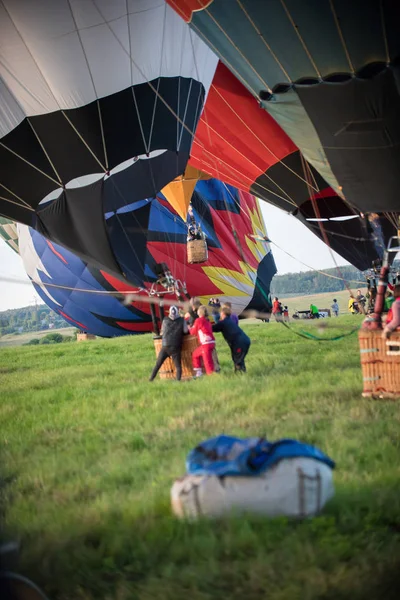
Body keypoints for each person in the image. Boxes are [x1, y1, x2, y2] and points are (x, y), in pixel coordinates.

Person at [149, 305, 188, 382]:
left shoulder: (165, 320)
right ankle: (178, 381)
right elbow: (185, 331)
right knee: (178, 366)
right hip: (175, 346)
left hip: (165, 346)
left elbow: (162, 332)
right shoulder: (182, 320)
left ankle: (150, 379)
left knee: (157, 365)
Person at [212, 306, 251, 372]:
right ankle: (241, 374)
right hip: (245, 341)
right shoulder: (229, 321)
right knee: (238, 359)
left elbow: (213, 328)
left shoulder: (223, 323)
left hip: (239, 343)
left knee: (237, 360)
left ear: (223, 314)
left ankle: (240, 375)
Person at [189, 306, 215, 377]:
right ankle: (199, 373)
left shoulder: (199, 320)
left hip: (206, 344)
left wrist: (189, 328)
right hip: (211, 342)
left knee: (207, 362)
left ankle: (211, 377)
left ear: (199, 312)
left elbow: (193, 332)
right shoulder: (207, 320)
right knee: (195, 354)